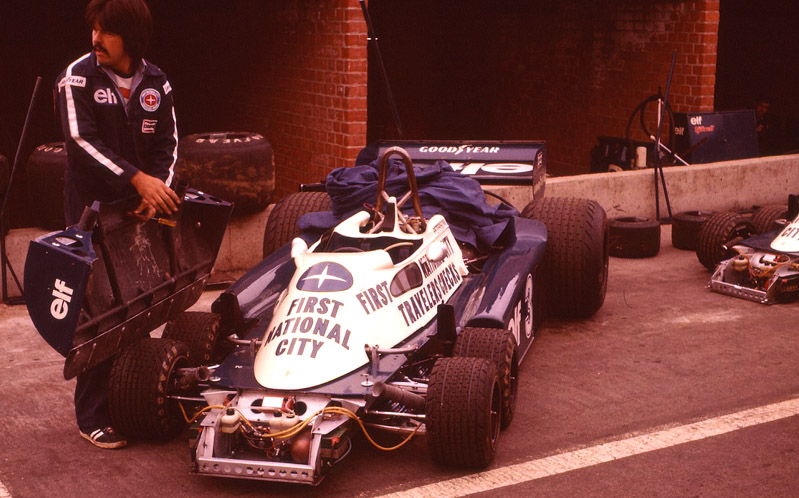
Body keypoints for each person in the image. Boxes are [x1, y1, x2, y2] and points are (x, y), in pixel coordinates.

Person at [56, 0, 180, 449]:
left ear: (131, 36)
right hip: (89, 212)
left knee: (139, 303)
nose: (95, 39)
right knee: (99, 312)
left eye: (106, 31)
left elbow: (168, 144)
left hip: (136, 213)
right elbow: (79, 142)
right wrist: (136, 178)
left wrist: (156, 192)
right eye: (93, 29)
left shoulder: (157, 82)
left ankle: (128, 399)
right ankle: (91, 414)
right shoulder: (77, 77)